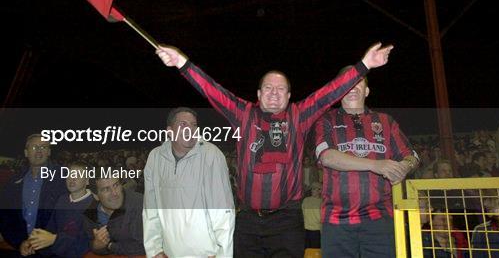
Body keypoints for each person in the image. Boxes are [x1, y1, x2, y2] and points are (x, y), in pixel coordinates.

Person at [156, 42, 393, 257]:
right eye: (268, 88)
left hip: (287, 222)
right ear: (258, 95)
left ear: (289, 96)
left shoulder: (299, 116)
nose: (274, 93)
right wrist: (181, 63)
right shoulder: (244, 113)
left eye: (280, 90)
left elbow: (328, 93)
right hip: (247, 219)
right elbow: (212, 89)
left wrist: (364, 65)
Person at [313, 73, 418, 257]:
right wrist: (375, 165)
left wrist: (403, 168)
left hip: (379, 221)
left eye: (358, 82)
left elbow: (412, 156)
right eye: (346, 83)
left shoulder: (386, 121)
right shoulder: (326, 120)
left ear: (367, 91)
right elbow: (327, 157)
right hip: (336, 222)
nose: (352, 86)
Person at [143, 107, 235, 258]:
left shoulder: (211, 155)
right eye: (183, 124)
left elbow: (223, 211)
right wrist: (154, 249)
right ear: (169, 130)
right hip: (169, 253)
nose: (190, 129)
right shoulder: (155, 158)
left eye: (194, 125)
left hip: (206, 254)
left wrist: (222, 254)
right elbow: (150, 207)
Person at [0, 134, 67, 257]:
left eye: (44, 147)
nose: (39, 150)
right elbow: (6, 217)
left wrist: (53, 239)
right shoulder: (13, 182)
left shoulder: (64, 178)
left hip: (51, 251)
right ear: (26, 152)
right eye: (35, 147)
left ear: (49, 152)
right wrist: (19, 242)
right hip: (21, 249)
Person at [27, 162, 94, 258]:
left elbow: (85, 243)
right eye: (70, 174)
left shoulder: (93, 205)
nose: (72, 179)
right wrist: (36, 242)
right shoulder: (62, 199)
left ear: (87, 181)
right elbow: (51, 228)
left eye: (78, 175)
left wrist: (55, 240)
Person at [82, 171, 145, 256]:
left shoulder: (139, 204)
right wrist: (96, 246)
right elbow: (93, 245)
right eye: (106, 189)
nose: (114, 193)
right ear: (95, 195)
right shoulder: (90, 215)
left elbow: (145, 246)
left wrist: (110, 246)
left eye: (116, 185)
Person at [301, 182, 322, 249]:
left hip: (309, 230)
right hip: (314, 231)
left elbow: (303, 213)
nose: (313, 190)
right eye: (312, 189)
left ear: (320, 191)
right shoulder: (322, 202)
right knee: (315, 251)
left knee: (307, 251)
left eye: (315, 189)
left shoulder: (306, 200)